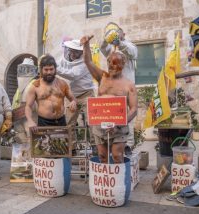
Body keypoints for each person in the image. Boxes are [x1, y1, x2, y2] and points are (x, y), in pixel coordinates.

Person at [81, 35, 138, 164]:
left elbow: (134, 109)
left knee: (117, 156)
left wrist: (119, 123)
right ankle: (105, 182)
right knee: (102, 156)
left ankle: (119, 183)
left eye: (115, 63)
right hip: (100, 125)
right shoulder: (102, 77)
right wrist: (85, 45)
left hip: (118, 127)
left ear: (123, 64)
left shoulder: (129, 85)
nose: (111, 66)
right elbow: (88, 61)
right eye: (109, 63)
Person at [100, 22, 138, 153]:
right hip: (114, 86)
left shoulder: (129, 45)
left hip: (127, 87)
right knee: (112, 114)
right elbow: (102, 48)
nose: (115, 35)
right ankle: (113, 141)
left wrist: (119, 43)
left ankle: (128, 144)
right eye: (112, 33)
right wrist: (106, 39)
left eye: (117, 33)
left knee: (129, 113)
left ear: (123, 34)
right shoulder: (111, 49)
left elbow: (133, 53)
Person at [57, 39, 96, 149]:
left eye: (76, 52)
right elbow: (59, 65)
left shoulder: (85, 62)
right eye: (72, 51)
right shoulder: (64, 59)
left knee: (92, 122)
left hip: (87, 94)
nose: (73, 54)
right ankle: (71, 148)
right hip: (71, 97)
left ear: (81, 52)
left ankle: (95, 147)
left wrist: (56, 68)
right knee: (69, 122)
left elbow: (73, 75)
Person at [25, 54, 77, 131]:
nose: (49, 72)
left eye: (51, 69)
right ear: (41, 70)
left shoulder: (63, 84)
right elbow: (28, 106)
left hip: (61, 121)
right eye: (46, 69)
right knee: (44, 143)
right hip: (44, 122)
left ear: (55, 69)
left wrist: (73, 102)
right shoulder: (35, 86)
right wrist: (30, 120)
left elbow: (73, 99)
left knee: (62, 142)